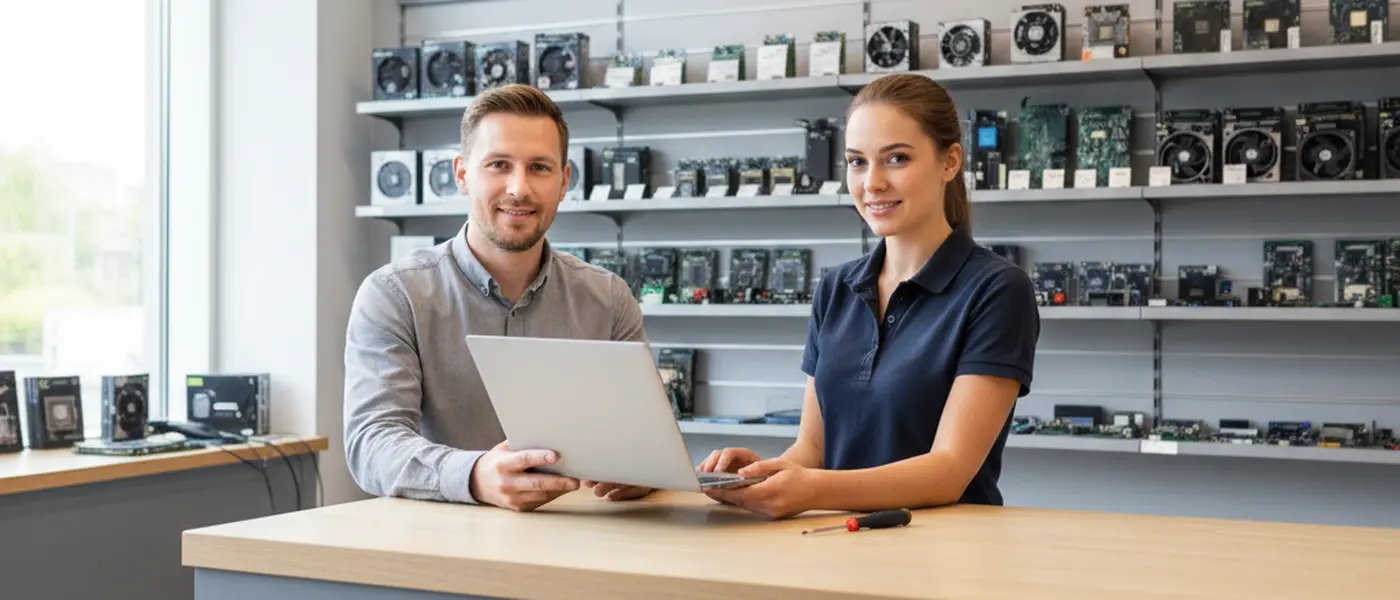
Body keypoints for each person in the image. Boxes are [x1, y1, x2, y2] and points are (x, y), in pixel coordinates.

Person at [697, 73, 1040, 519]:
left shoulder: (997, 290)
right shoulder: (835, 289)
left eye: (896, 158)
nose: (872, 183)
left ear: (949, 162)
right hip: (839, 540)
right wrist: (764, 473)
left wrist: (811, 490)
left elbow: (949, 471)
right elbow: (814, 449)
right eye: (857, 162)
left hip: (945, 553)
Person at [344, 84, 652, 512]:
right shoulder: (395, 295)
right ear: (462, 174)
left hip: (581, 544)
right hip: (437, 548)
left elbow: (643, 436)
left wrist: (642, 471)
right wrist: (474, 476)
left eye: (539, 168)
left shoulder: (608, 299)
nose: (518, 188)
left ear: (563, 182)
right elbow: (371, 443)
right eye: (498, 165)